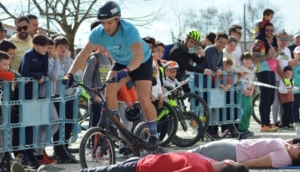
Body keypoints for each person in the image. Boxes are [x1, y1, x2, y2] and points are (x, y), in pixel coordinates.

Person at [62, 1, 160, 151]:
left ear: (117, 19)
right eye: (103, 23)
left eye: (109, 22)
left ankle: (154, 134)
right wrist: (69, 74)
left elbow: (138, 55)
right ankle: (113, 126)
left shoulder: (129, 30)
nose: (106, 27)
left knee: (143, 99)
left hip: (141, 62)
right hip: (121, 62)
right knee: (109, 86)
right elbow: (83, 55)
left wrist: (127, 71)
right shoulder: (98, 33)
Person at [9, 152, 249, 172]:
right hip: (142, 161)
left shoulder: (201, 168)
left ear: (228, 165)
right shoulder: (208, 161)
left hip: (138, 168)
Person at [18, 34, 49, 169]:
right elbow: (25, 72)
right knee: (26, 126)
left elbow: (45, 72)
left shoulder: (45, 54)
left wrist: (37, 76)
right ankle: (29, 157)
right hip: (23, 94)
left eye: (47, 46)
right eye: (43, 46)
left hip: (36, 94)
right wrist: (37, 76)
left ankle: (27, 157)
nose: (45, 49)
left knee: (32, 126)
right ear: (34, 46)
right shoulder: (28, 55)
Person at [52, 35, 79, 163]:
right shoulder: (54, 60)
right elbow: (64, 74)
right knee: (59, 125)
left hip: (69, 96)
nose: (64, 50)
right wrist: (67, 59)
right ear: (55, 48)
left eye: (65, 47)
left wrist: (69, 60)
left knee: (68, 124)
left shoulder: (69, 60)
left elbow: (78, 72)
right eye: (61, 47)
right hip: (57, 97)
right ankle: (59, 151)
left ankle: (65, 149)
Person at [197, 32, 228, 139]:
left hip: (210, 81)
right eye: (220, 42)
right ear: (215, 41)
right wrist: (217, 69)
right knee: (209, 105)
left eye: (224, 43)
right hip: (202, 81)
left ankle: (213, 130)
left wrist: (220, 68)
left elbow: (220, 65)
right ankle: (209, 131)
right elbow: (211, 67)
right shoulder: (210, 50)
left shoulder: (221, 52)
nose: (222, 45)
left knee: (215, 105)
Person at [189, 138, 300, 168]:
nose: (298, 144)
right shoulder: (287, 147)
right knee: (194, 154)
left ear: (297, 157)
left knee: (193, 155)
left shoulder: (284, 157)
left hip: (232, 152)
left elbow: (257, 163)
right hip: (236, 145)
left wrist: (234, 165)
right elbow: (295, 139)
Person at [251, 24, 279, 132]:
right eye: (267, 30)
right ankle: (264, 124)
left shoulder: (273, 42)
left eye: (272, 30)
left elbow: (274, 56)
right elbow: (253, 58)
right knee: (265, 97)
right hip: (262, 70)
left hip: (271, 70)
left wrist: (276, 53)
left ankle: (268, 122)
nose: (269, 32)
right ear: (263, 30)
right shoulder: (259, 42)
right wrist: (268, 55)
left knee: (271, 98)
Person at [272, 31, 297, 127]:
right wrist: (284, 79)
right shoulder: (276, 50)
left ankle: (283, 122)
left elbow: (289, 64)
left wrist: (291, 79)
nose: (284, 41)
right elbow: (277, 65)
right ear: (278, 39)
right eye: (282, 39)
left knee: (285, 102)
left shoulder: (287, 50)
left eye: (286, 39)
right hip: (277, 78)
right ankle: (275, 122)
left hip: (286, 80)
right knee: (276, 102)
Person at [238, 53, 255, 136]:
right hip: (242, 93)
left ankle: (247, 127)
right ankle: (242, 128)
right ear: (242, 60)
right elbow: (238, 81)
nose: (248, 61)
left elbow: (253, 82)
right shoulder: (241, 69)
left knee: (249, 111)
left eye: (249, 59)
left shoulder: (252, 70)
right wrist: (244, 91)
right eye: (246, 59)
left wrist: (252, 91)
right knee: (243, 111)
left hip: (249, 93)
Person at [292, 46, 300, 127]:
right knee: (294, 106)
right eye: (298, 53)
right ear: (294, 54)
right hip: (295, 89)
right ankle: (295, 121)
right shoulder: (292, 63)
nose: (299, 55)